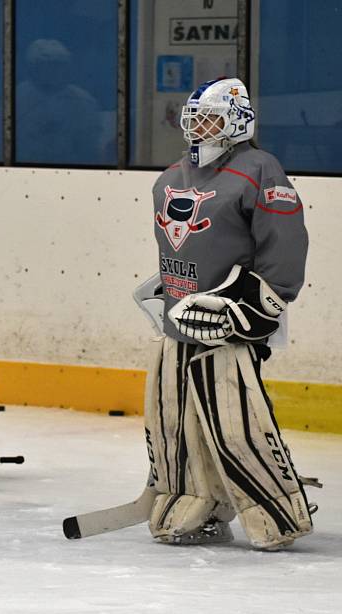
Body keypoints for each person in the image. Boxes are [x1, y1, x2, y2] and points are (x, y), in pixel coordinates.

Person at [142, 77, 313, 550]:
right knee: (173, 421)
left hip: (230, 327)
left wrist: (256, 306)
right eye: (194, 118)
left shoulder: (261, 170)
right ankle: (193, 501)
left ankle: (277, 511)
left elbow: (284, 248)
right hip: (178, 322)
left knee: (233, 423)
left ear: (238, 120)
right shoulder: (173, 176)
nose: (200, 128)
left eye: (211, 118)